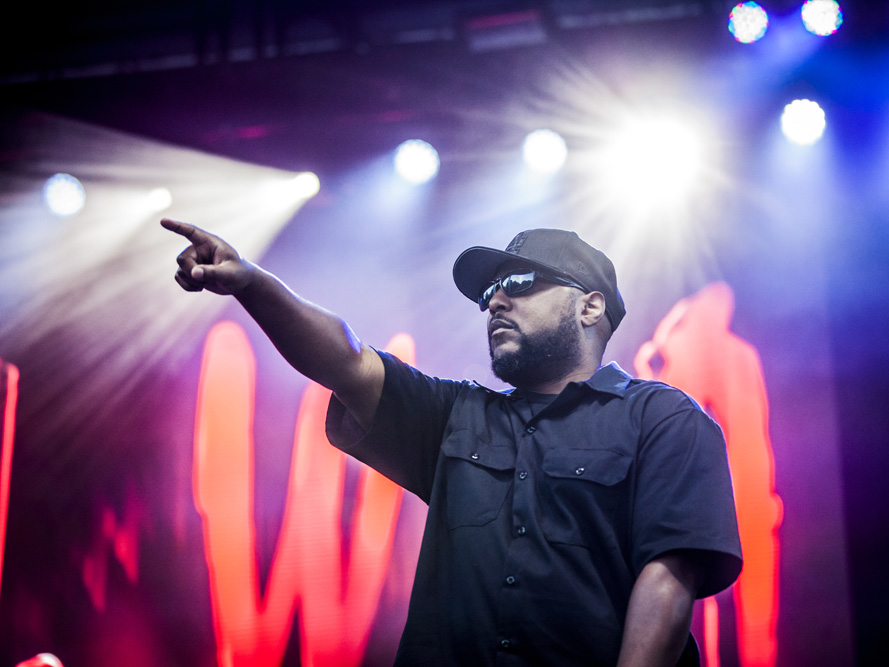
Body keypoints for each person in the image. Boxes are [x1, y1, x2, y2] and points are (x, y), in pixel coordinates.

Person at [163, 218, 742, 667]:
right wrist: (252, 284)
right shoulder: (457, 416)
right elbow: (344, 359)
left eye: (518, 283)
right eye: (490, 291)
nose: (494, 300)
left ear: (590, 305)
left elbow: (668, 579)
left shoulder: (663, 418)